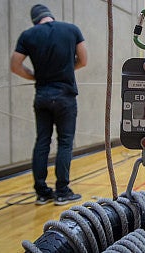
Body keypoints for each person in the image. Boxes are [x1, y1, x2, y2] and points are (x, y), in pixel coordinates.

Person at [10, 4, 87, 205]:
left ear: (35, 19)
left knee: (42, 141)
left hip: (42, 94)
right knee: (65, 142)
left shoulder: (28, 35)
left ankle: (42, 192)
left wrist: (35, 76)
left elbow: (15, 66)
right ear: (50, 15)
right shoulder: (71, 30)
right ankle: (62, 191)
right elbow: (84, 60)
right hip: (65, 95)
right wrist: (69, 68)